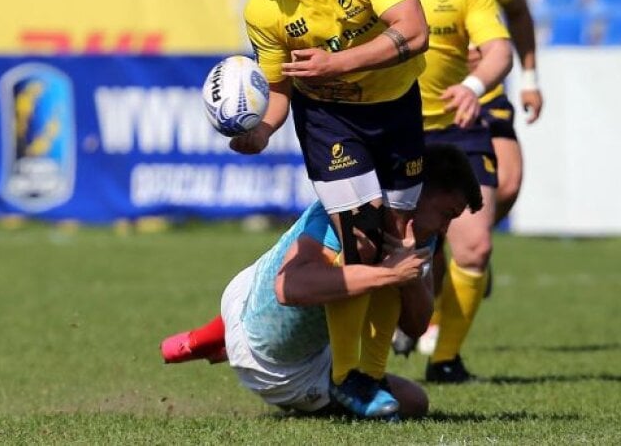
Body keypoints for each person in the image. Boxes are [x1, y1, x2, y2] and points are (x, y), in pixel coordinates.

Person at [232, 0, 430, 415]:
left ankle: (368, 374)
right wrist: (262, 131)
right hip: (327, 119)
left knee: (398, 239)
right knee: (360, 239)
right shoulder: (263, 9)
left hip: (395, 109)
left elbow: (413, 32)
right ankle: (348, 377)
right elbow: (278, 89)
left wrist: (335, 62)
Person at [160, 144, 483, 419]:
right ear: (418, 193)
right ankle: (228, 339)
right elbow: (290, 288)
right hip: (275, 368)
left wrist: (408, 278)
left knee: (416, 398)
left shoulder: (416, 236)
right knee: (408, 403)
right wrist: (390, 274)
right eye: (447, 214)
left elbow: (416, 326)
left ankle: (210, 336)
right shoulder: (351, 214)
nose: (445, 229)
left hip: (246, 291)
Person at [377, 0, 514, 383]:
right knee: (387, 249)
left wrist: (474, 87)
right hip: (389, 131)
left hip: (456, 132)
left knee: (475, 244)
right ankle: (366, 354)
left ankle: (446, 360)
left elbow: (500, 48)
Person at [427, 0, 543, 224]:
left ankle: (466, 247)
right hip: (428, 97)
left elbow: (519, 14)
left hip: (483, 92)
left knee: (507, 184)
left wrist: (530, 78)